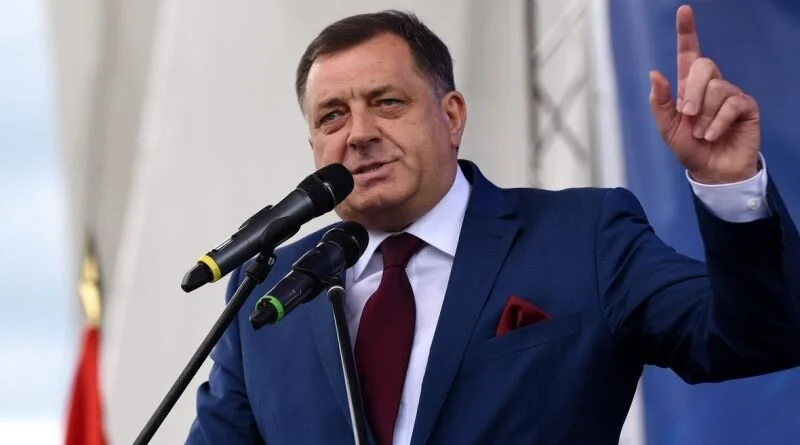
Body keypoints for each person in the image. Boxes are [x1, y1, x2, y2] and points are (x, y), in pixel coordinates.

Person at [186, 5, 800, 444]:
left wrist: (731, 187)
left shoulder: (583, 239)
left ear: (451, 116)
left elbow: (758, 337)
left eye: (387, 102)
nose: (360, 133)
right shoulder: (267, 291)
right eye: (332, 117)